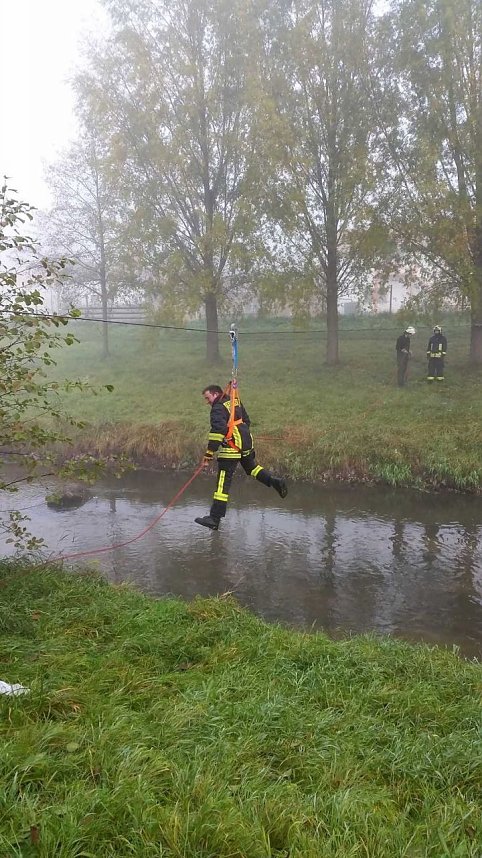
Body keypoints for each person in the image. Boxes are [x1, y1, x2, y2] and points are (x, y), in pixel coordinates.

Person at [195, 384, 288, 531]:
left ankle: (214, 518)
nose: (207, 402)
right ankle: (275, 482)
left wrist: (209, 454)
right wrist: (238, 434)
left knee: (222, 484)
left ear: (215, 394)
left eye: (207, 398)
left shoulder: (218, 407)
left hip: (231, 449)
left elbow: (217, 430)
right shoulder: (234, 401)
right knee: (252, 468)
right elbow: (247, 420)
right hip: (245, 444)